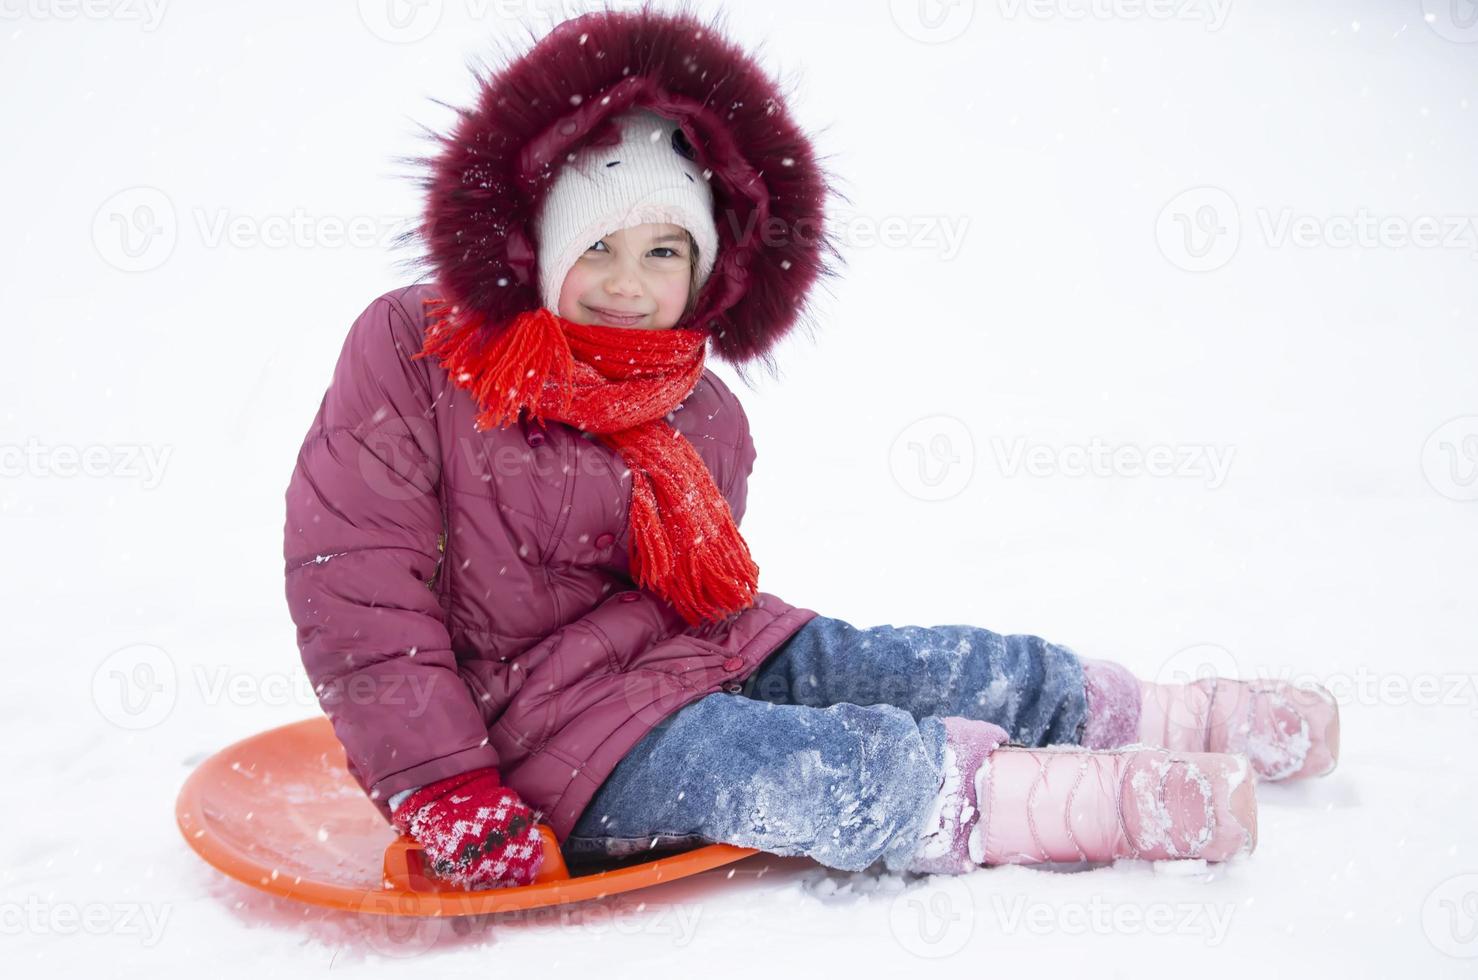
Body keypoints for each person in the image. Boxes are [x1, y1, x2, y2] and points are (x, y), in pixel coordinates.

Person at [283, 5, 1337, 892]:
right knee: (809, 765)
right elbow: (357, 593)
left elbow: (695, 603)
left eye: (662, 251)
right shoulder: (423, 354)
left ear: (700, 271)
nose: (626, 281)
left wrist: (763, 663)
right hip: (546, 742)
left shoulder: (697, 407)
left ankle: (1166, 715)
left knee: (900, 661)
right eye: (594, 247)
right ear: (539, 247)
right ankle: (1086, 804)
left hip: (704, 656)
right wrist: (447, 787)